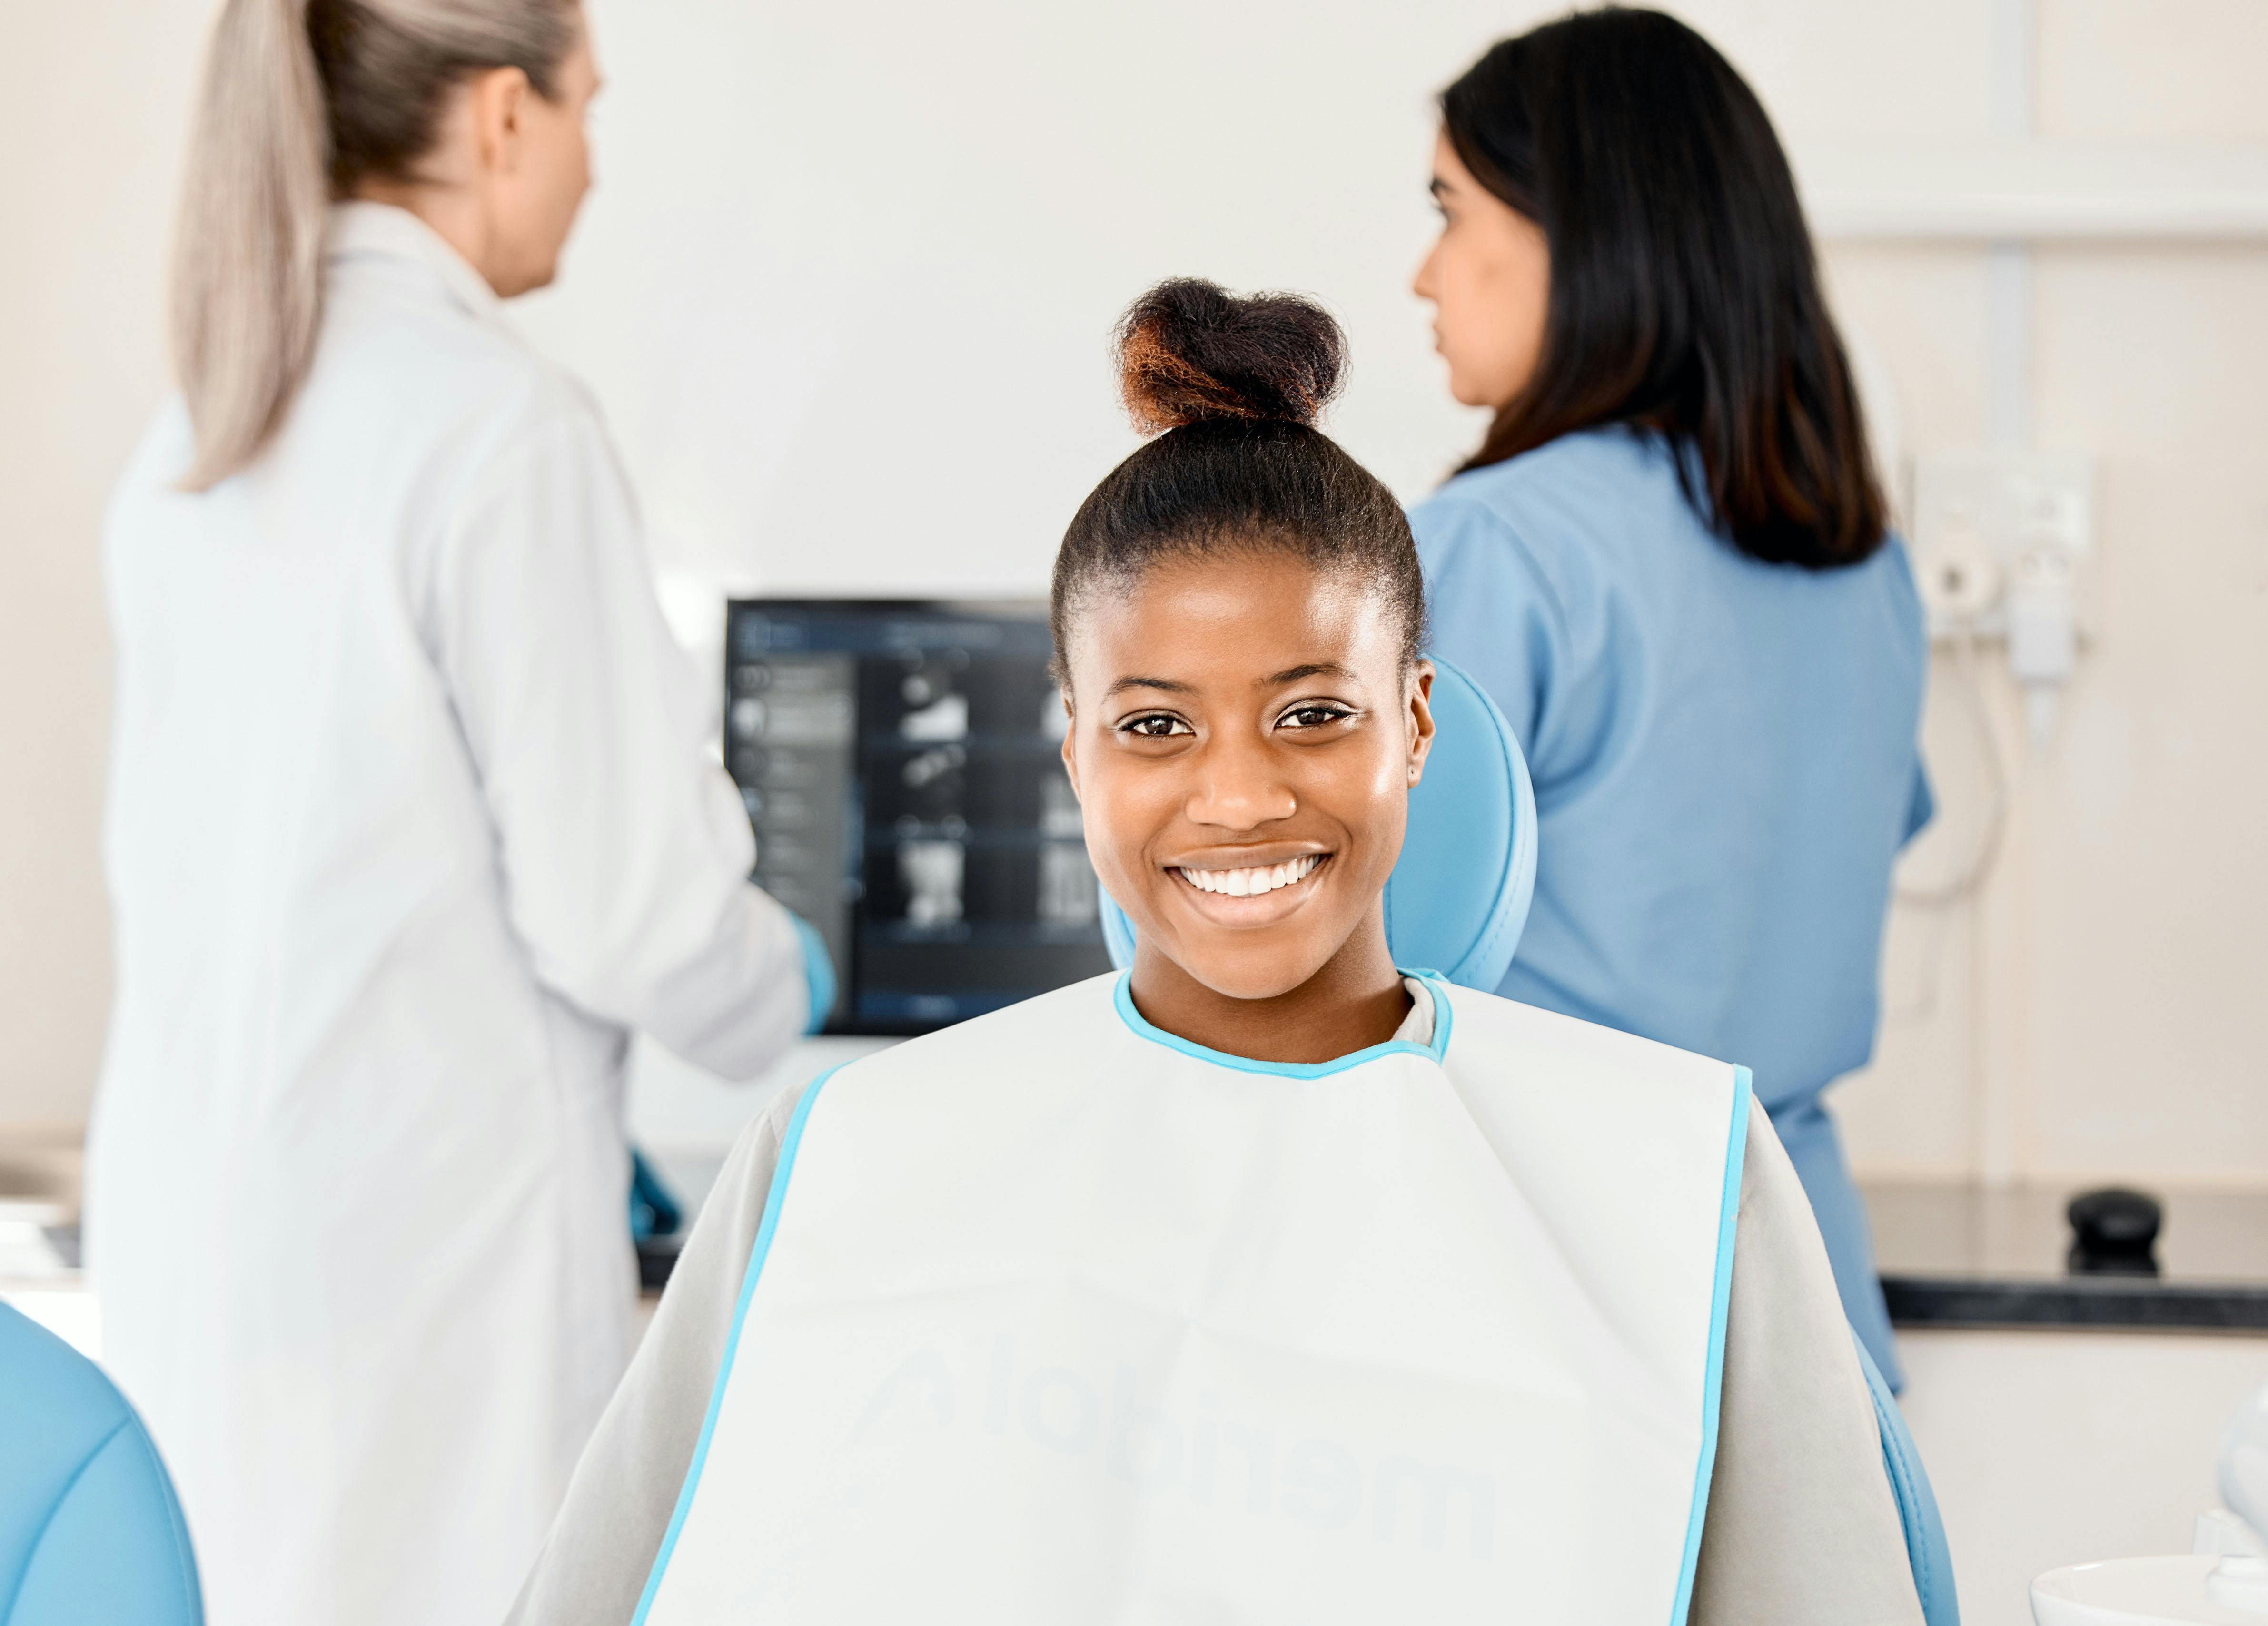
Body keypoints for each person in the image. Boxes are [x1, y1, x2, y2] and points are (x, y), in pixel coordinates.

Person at [505, 281, 1923, 1626]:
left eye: (1313, 714)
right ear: (1070, 742)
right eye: (1154, 724)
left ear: (1417, 721)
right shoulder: (840, 1163)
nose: (1240, 796)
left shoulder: (1677, 1179)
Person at [85, 4, 829, 1624]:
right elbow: (635, 917)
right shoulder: (497, 426)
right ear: (501, 118)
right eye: (586, 113)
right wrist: (793, 978)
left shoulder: (193, 440)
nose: (591, 166)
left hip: (202, 1265)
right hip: (414, 1301)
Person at [1407, 9, 1932, 1385]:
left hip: (1571, 1290)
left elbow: (1353, 966)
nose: (1424, 273)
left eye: (1453, 212)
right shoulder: (1860, 560)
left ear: (1583, 236)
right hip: (1814, 1309)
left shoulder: (1500, 548)